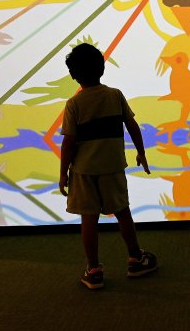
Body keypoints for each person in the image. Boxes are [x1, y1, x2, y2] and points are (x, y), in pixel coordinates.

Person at [59, 43, 157, 290]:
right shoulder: (115, 95)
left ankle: (93, 270)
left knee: (88, 218)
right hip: (112, 167)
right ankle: (135, 258)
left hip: (83, 170)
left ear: (73, 74)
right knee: (123, 211)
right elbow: (132, 125)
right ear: (102, 68)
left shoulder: (74, 104)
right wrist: (141, 152)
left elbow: (69, 142)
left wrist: (63, 174)